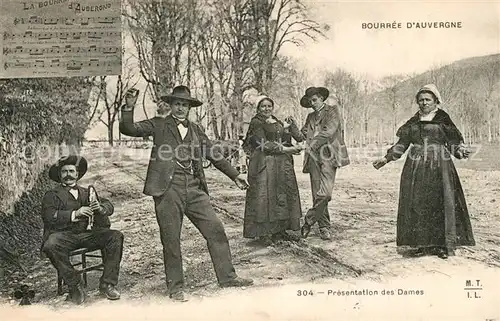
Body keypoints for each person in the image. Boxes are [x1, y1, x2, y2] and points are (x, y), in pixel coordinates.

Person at [119, 85, 253, 302]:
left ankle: (227, 277)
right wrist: (128, 107)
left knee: (216, 230)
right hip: (168, 189)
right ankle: (176, 287)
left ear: (190, 107)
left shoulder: (197, 130)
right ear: (170, 105)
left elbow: (214, 154)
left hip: (194, 187)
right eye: (177, 104)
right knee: (171, 240)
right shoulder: (159, 124)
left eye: (185, 105)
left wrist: (234, 175)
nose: (181, 108)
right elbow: (129, 129)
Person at [372, 84, 475, 259]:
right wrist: (387, 158)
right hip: (416, 166)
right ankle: (421, 243)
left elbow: (452, 143)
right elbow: (402, 144)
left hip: (440, 166)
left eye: (428, 99)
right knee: (417, 203)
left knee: (440, 202)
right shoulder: (413, 122)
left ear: (436, 101)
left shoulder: (443, 119)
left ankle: (441, 245)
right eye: (421, 100)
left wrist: (460, 151)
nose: (424, 103)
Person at [41, 155, 123, 304]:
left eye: (71, 171)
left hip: (88, 234)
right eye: (64, 171)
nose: (68, 175)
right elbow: (48, 216)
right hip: (65, 236)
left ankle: (107, 284)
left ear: (77, 174)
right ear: (60, 175)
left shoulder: (87, 192)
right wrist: (74, 214)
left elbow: (109, 205)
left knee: (115, 236)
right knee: (50, 245)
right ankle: (74, 284)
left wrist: (100, 208)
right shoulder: (51, 195)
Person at [289, 87, 350, 240]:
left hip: (329, 155)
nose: (313, 103)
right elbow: (301, 136)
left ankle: (309, 220)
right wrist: (292, 126)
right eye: (310, 102)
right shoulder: (310, 117)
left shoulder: (332, 111)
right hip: (313, 157)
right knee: (317, 193)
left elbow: (328, 132)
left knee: (326, 193)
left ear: (321, 98)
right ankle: (324, 227)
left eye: (315, 100)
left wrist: (311, 144)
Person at [242, 95, 304, 245]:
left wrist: (289, 128)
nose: (266, 109)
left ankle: (279, 231)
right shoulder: (256, 122)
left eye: (269, 106)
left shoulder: (277, 121)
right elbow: (262, 143)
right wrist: (287, 149)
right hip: (264, 163)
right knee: (265, 197)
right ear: (258, 108)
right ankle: (264, 233)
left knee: (281, 195)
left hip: (280, 164)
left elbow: (287, 139)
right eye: (263, 106)